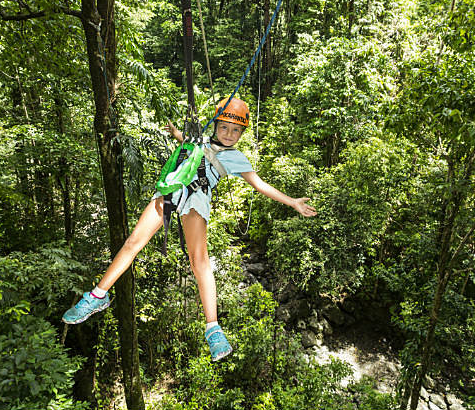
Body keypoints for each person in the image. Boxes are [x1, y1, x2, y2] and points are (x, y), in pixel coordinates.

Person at [62, 97, 317, 361]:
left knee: (199, 261)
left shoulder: (236, 159)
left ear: (242, 133)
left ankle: (213, 328)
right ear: (215, 125)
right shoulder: (200, 141)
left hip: (196, 199)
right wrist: (176, 133)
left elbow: (260, 185)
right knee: (133, 242)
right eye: (224, 127)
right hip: (172, 191)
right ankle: (98, 295)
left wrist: (293, 202)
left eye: (235, 130)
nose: (229, 134)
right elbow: (187, 141)